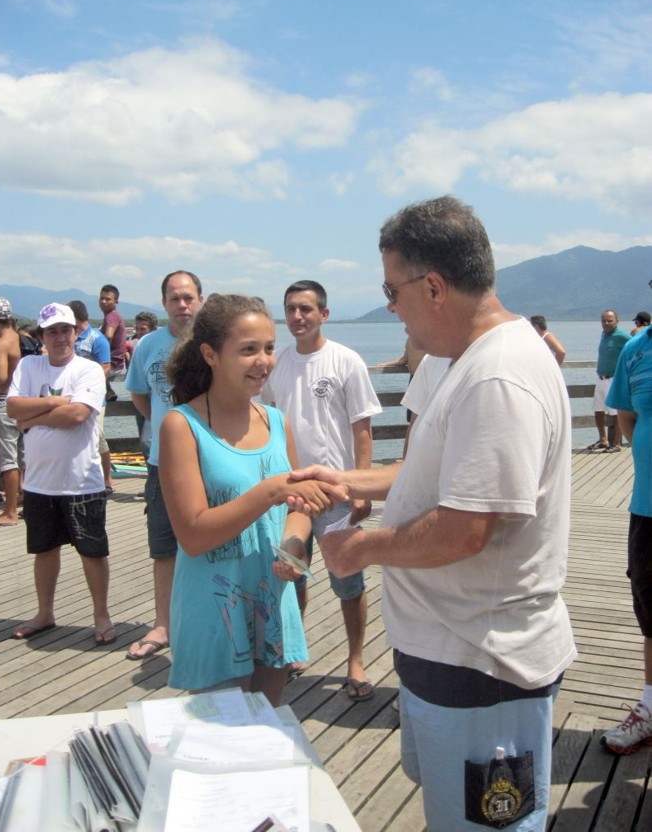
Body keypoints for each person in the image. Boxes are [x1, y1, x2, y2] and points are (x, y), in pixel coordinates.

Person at [289, 196, 577, 831]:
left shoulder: (498, 375)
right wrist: (344, 478)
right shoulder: (461, 359)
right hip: (443, 652)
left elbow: (465, 528)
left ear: (436, 286)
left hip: (484, 666)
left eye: (392, 291)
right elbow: (428, 475)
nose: (390, 306)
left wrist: (360, 548)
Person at [159, 294, 337, 706]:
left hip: (272, 601)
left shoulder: (277, 422)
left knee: (269, 727)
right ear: (210, 354)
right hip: (213, 607)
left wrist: (293, 547)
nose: (263, 361)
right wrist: (270, 491)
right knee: (221, 737)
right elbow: (193, 535)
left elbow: (300, 507)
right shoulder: (181, 426)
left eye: (269, 348)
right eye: (248, 350)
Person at [262, 280, 382, 700]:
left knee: (348, 580)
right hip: (292, 491)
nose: (297, 317)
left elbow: (362, 428)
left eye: (306, 309)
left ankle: (356, 661)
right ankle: (293, 650)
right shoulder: (276, 364)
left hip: (336, 492)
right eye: (291, 309)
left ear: (323, 314)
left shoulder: (346, 361)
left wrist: (361, 488)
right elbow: (265, 419)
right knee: (291, 575)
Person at [6, 303, 115, 645]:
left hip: (82, 482)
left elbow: (79, 416)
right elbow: (12, 407)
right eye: (52, 331)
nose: (60, 337)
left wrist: (33, 417)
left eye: (66, 330)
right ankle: (44, 613)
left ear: (75, 332)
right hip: (39, 482)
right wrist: (56, 402)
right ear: (41, 336)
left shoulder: (89, 370)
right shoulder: (29, 364)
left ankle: (101, 615)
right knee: (44, 549)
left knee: (93, 552)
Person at [124, 271, 204, 660]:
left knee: (213, 543)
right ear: (164, 304)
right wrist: (161, 429)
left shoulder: (213, 342)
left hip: (208, 462)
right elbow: (140, 394)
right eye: (175, 299)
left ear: (201, 300)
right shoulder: (147, 346)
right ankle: (164, 624)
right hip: (161, 464)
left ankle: (209, 618)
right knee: (163, 546)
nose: (182, 305)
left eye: (189, 297)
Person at [601, 324, 652, 752]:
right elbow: (627, 416)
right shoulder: (636, 350)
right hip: (647, 505)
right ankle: (651, 708)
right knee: (650, 611)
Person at [68, 300, 114, 494]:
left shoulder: (97, 338)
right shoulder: (70, 337)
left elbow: (106, 365)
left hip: (94, 399)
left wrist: (88, 384)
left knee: (98, 439)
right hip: (71, 399)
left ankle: (106, 478)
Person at [0, 296, 22, 526]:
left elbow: (2, 376)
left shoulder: (2, 343)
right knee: (23, 456)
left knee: (7, 459)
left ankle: (9, 511)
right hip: (20, 400)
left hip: (3, 400)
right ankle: (24, 501)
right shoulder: (18, 338)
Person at [587, 310, 629, 452]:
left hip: (614, 379)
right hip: (601, 377)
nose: (606, 323)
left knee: (616, 412)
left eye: (610, 320)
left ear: (617, 321)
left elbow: (634, 348)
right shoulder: (604, 334)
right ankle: (603, 440)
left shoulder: (622, 336)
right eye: (604, 320)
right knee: (598, 410)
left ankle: (616, 443)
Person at [125, 311, 159, 458]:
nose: (138, 332)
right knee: (144, 440)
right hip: (141, 398)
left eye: (143, 329)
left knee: (148, 440)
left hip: (156, 400)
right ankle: (150, 470)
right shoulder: (137, 347)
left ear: (153, 329)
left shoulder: (159, 348)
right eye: (137, 329)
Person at [99, 284, 127, 401]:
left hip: (113, 362)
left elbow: (109, 335)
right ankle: (108, 392)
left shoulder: (112, 316)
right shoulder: (112, 316)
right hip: (117, 361)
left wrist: (100, 354)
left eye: (108, 299)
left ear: (116, 302)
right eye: (102, 298)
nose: (104, 302)